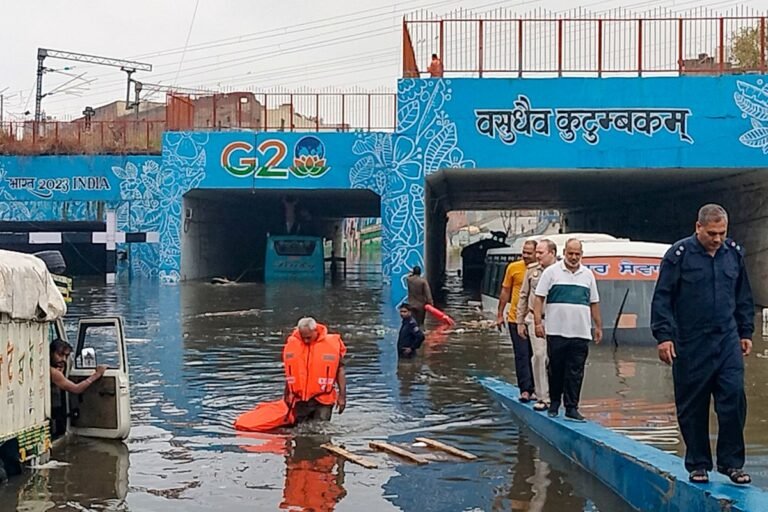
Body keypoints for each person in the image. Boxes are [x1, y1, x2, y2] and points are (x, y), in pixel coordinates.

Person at [651, 204, 754, 485]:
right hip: (690, 341)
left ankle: (732, 464)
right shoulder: (679, 256)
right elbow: (663, 298)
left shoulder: (732, 254)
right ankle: (698, 464)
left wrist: (746, 331)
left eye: (722, 233)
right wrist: (664, 337)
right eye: (712, 233)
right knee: (693, 405)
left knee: (733, 397)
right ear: (698, 227)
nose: (717, 239)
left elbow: (743, 295)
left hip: (727, 339)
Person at [533, 239, 602, 422]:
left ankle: (572, 407)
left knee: (576, 371)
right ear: (564, 252)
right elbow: (539, 299)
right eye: (570, 254)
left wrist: (598, 326)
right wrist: (538, 323)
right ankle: (555, 402)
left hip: (580, 333)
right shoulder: (551, 272)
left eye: (577, 254)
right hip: (556, 331)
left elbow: (594, 302)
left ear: (581, 255)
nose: (573, 257)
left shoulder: (588, 275)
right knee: (556, 369)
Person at [516, 239, 558, 412]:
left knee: (555, 359)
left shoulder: (562, 272)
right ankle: (543, 397)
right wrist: (519, 321)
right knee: (540, 355)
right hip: (534, 318)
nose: (537, 256)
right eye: (537, 253)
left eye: (541, 253)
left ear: (552, 253)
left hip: (557, 320)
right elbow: (523, 296)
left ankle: (558, 396)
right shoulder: (532, 272)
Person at [283, 317, 347, 423]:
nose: (305, 340)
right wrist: (286, 394)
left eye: (308, 337)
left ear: (315, 331)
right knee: (301, 433)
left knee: (320, 432)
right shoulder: (293, 345)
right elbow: (291, 373)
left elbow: (340, 371)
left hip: (324, 400)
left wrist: (342, 396)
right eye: (303, 337)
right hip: (300, 400)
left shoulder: (332, 345)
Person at [496, 240, 537, 402]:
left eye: (529, 253)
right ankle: (525, 390)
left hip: (535, 319)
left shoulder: (543, 270)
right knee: (522, 355)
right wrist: (500, 314)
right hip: (515, 318)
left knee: (538, 355)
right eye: (524, 252)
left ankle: (538, 389)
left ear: (537, 253)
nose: (526, 256)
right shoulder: (513, 268)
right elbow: (505, 292)